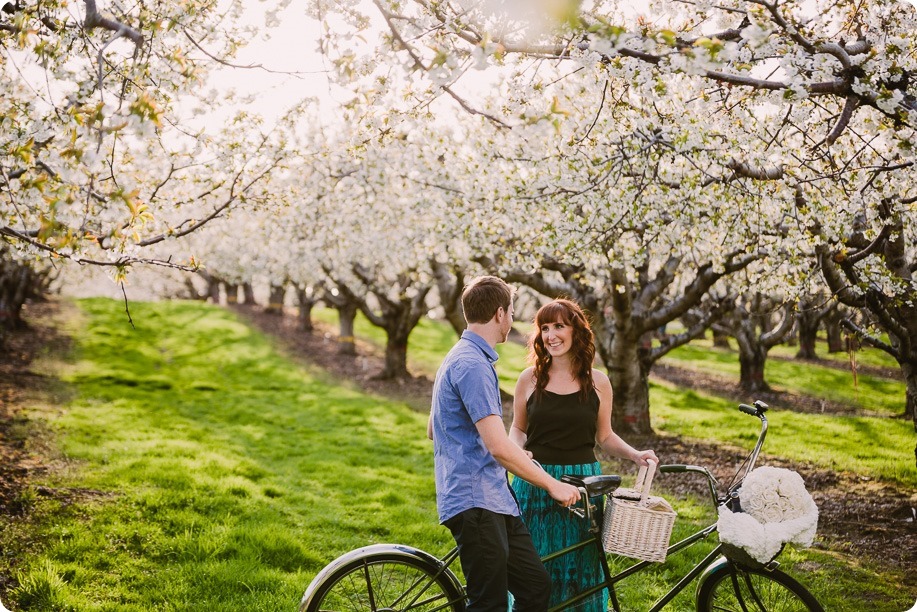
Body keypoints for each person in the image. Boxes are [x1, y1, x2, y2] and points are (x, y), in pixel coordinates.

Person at [427, 276, 582, 612]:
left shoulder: (463, 356)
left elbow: (433, 429)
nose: (512, 320)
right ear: (500, 314)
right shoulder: (472, 365)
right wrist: (551, 484)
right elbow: (498, 446)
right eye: (511, 312)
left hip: (495, 498)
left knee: (535, 587)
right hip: (475, 501)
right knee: (490, 604)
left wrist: (507, 451)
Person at [509, 298, 658, 612]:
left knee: (581, 568)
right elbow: (518, 429)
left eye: (559, 326)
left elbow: (604, 436)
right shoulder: (529, 379)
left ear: (576, 331)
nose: (551, 335)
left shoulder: (598, 382)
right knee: (536, 566)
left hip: (584, 487)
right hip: (536, 480)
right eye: (545, 328)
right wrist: (517, 452)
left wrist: (634, 455)